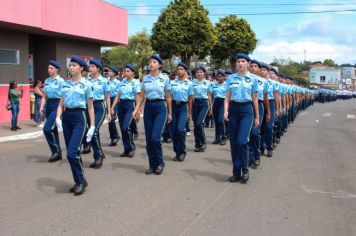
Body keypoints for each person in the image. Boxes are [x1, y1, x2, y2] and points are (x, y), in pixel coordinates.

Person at [55, 55, 95, 196]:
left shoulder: (87, 85)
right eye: (70, 65)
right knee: (72, 154)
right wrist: (58, 117)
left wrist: (92, 126)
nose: (71, 67)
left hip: (80, 118)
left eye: (74, 65)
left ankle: (81, 181)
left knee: (72, 152)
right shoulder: (65, 84)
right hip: (67, 117)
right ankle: (79, 181)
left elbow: (90, 107)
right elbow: (61, 103)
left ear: (81, 68)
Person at [132, 54, 172, 175]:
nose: (151, 64)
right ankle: (152, 164)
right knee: (149, 139)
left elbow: (168, 97)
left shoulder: (164, 78)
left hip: (160, 108)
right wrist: (137, 109)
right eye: (150, 62)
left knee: (155, 137)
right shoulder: (145, 78)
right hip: (149, 107)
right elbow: (142, 95)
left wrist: (170, 113)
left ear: (159, 65)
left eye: (154, 62)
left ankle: (160, 162)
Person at [224, 53, 260, 184]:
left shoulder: (254, 79)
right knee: (234, 143)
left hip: (246, 111)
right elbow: (227, 96)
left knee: (241, 141)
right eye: (238, 61)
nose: (240, 63)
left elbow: (255, 98)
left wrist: (257, 116)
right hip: (233, 110)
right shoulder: (231, 78)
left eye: (243, 61)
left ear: (248, 64)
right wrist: (226, 111)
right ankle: (236, 173)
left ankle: (245, 170)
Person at [85, 58, 111, 169]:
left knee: (94, 131)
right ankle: (99, 154)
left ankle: (98, 156)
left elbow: (108, 97)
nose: (90, 68)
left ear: (98, 68)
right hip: (88, 107)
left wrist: (109, 112)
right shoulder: (87, 80)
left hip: (100, 106)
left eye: (92, 67)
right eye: (89, 66)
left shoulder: (104, 81)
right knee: (92, 132)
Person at [111, 64, 141, 157]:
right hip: (121, 105)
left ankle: (131, 147)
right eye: (125, 71)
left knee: (126, 127)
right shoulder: (122, 82)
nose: (126, 73)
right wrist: (112, 107)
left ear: (133, 73)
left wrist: (137, 110)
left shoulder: (136, 83)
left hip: (130, 105)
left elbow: (138, 98)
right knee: (122, 129)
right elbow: (118, 95)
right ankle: (126, 149)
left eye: (128, 71)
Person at [40, 60, 65, 162]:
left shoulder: (61, 81)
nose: (49, 70)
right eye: (48, 68)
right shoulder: (47, 81)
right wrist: (41, 107)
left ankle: (56, 151)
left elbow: (64, 97)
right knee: (53, 130)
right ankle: (57, 153)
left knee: (47, 128)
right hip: (49, 105)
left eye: (51, 68)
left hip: (57, 105)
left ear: (57, 69)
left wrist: (63, 108)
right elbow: (44, 96)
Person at [170, 62, 193, 161]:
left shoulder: (189, 83)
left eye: (181, 69)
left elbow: (190, 98)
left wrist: (190, 112)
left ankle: (182, 151)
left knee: (180, 130)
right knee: (174, 131)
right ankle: (177, 152)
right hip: (174, 106)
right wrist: (169, 112)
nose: (179, 71)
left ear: (185, 71)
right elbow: (169, 97)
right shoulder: (172, 83)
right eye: (178, 69)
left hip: (183, 107)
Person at [248, 60, 270, 169]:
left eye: (255, 66)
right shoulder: (245, 79)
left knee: (255, 132)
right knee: (247, 133)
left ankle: (256, 156)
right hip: (246, 107)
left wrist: (268, 112)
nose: (252, 68)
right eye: (251, 66)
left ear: (259, 69)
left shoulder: (263, 82)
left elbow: (265, 98)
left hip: (259, 107)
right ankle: (249, 156)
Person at [192, 66, 212, 152]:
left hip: (204, 103)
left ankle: (203, 142)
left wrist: (211, 108)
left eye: (201, 72)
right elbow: (191, 96)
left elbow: (209, 96)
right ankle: (197, 144)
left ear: (204, 73)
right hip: (195, 103)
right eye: (197, 72)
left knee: (199, 123)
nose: (199, 73)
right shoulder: (192, 83)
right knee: (195, 125)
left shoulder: (208, 83)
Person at [211, 70, 227, 145]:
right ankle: (217, 137)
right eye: (218, 76)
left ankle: (224, 137)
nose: (219, 77)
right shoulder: (213, 84)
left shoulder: (227, 85)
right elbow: (211, 95)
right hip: (216, 102)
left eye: (221, 76)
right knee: (216, 121)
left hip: (223, 102)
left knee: (221, 121)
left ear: (224, 77)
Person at [107, 65, 121, 146]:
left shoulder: (118, 82)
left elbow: (118, 95)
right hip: (108, 100)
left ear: (114, 73)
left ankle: (114, 137)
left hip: (115, 100)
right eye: (108, 71)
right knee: (110, 119)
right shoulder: (106, 81)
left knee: (112, 118)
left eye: (110, 71)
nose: (108, 72)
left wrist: (113, 106)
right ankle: (114, 136)